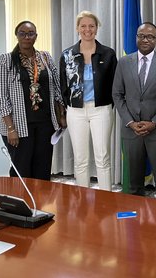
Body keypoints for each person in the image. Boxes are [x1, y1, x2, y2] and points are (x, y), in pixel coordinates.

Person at [0, 20, 66, 180]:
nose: (27, 37)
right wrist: (11, 129)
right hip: (18, 127)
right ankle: (19, 204)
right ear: (16, 36)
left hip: (45, 124)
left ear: (36, 36)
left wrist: (61, 115)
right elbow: (0, 97)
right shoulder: (6, 60)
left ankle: (40, 204)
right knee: (22, 170)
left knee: (42, 169)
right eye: (23, 33)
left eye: (30, 33)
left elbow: (57, 88)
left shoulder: (45, 57)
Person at [112, 22, 156, 200]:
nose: (145, 39)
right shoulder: (124, 62)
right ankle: (135, 223)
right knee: (133, 184)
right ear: (136, 37)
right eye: (141, 36)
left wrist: (154, 122)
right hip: (131, 130)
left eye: (150, 36)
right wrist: (130, 122)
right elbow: (117, 94)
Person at [60, 11, 118, 191]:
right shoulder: (67, 55)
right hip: (75, 111)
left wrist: (109, 105)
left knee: (103, 157)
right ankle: (82, 199)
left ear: (97, 28)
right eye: (83, 26)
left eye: (91, 26)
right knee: (81, 159)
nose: (87, 30)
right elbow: (63, 86)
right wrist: (65, 110)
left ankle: (106, 198)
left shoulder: (108, 54)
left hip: (101, 110)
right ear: (77, 28)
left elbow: (115, 84)